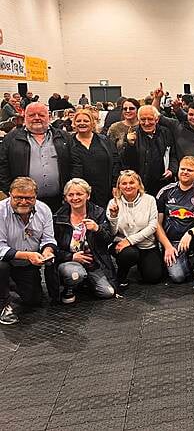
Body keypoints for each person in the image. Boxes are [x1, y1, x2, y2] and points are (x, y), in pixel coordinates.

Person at [0, 177, 57, 325]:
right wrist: (28, 255)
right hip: (5, 260)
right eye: (18, 197)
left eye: (29, 198)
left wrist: (47, 251)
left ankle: (10, 283)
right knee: (2, 267)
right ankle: (4, 305)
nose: (23, 202)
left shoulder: (44, 209)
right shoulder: (0, 211)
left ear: (35, 197)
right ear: (10, 194)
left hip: (26, 264)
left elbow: (48, 239)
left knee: (33, 300)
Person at [155, 156, 194, 282]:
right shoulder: (165, 191)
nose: (185, 172)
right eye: (182, 169)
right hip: (172, 242)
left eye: (190, 170)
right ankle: (184, 258)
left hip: (193, 238)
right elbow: (156, 224)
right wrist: (167, 246)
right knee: (178, 277)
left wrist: (190, 233)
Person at [0, 102, 72, 212]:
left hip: (60, 202)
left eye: (41, 115)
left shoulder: (64, 137)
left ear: (49, 116)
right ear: (25, 117)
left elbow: (75, 164)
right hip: (24, 203)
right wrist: (11, 192)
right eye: (32, 115)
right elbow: (2, 167)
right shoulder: (11, 139)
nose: (37, 118)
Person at [53, 179, 116, 304]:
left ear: (88, 195)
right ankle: (69, 287)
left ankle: (86, 282)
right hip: (69, 261)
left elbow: (108, 239)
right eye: (70, 195)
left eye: (79, 194)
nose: (75, 198)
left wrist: (97, 229)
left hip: (94, 262)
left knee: (108, 292)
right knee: (75, 274)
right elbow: (52, 247)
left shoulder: (99, 213)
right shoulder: (58, 217)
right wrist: (71, 256)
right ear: (65, 198)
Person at [107, 170, 160, 287]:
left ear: (139, 185)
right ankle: (121, 274)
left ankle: (142, 264)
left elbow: (153, 226)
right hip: (124, 246)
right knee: (129, 255)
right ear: (119, 186)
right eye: (124, 183)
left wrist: (130, 240)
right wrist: (113, 217)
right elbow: (112, 233)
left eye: (132, 182)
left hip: (146, 244)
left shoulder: (150, 200)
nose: (128, 186)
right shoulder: (113, 202)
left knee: (153, 277)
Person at [155, 96, 194, 195]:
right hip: (182, 182)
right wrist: (157, 98)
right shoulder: (177, 126)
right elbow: (156, 115)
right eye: (191, 114)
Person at [120, 105, 177, 196]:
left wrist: (172, 170)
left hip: (163, 184)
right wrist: (130, 145)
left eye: (150, 119)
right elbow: (125, 161)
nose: (146, 123)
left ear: (157, 119)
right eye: (143, 119)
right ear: (138, 120)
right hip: (139, 186)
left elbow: (173, 154)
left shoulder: (166, 133)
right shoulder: (132, 134)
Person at [70, 109, 120, 209]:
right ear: (74, 123)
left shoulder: (104, 140)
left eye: (86, 121)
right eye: (78, 121)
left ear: (92, 123)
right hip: (80, 193)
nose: (82, 123)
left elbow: (115, 161)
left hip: (105, 190)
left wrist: (115, 185)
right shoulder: (68, 143)